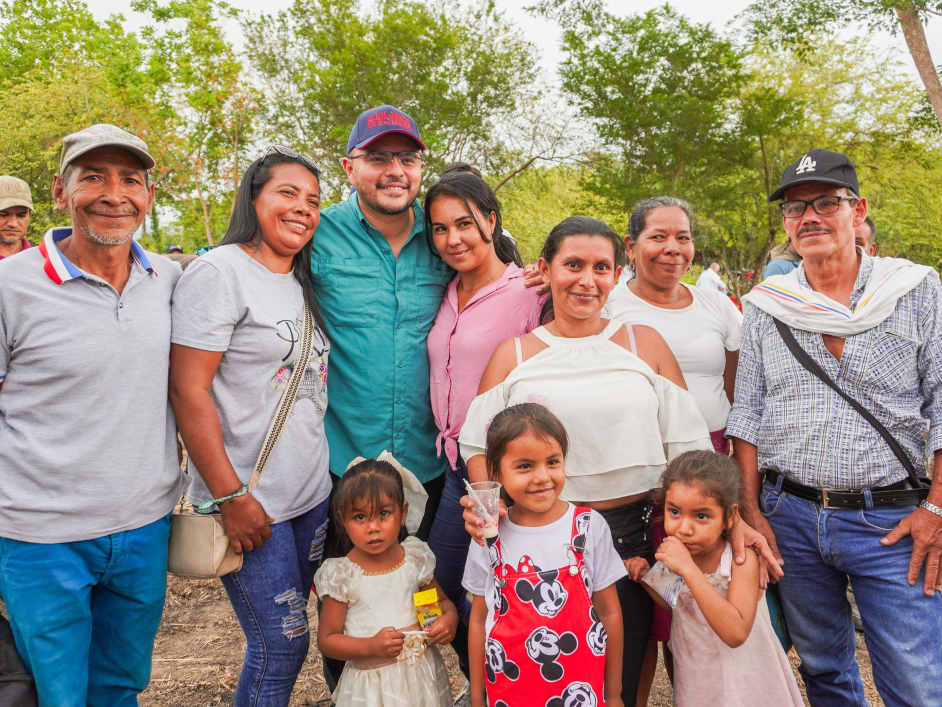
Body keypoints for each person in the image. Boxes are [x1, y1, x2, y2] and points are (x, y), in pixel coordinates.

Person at [458, 215, 716, 702]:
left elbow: (690, 446)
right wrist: (488, 509)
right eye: (572, 264)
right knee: (541, 667)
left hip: (632, 535)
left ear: (617, 273)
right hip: (534, 535)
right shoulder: (513, 354)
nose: (587, 279)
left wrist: (717, 520)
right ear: (545, 269)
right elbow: (475, 445)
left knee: (618, 676)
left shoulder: (645, 344)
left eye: (601, 267)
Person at [728, 148, 942, 706]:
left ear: (858, 210)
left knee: (918, 680)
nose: (810, 217)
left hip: (892, 521)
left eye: (827, 202)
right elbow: (746, 416)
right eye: (796, 209)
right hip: (790, 518)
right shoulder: (769, 305)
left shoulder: (914, 290)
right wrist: (752, 513)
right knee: (824, 669)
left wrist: (937, 510)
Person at [0, 124, 185, 705]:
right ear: (60, 190)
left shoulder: (169, 279)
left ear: (148, 196)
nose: (114, 194)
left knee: (123, 685)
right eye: (93, 177)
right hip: (41, 537)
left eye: (130, 179)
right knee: (56, 693)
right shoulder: (10, 286)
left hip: (144, 527)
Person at [169, 146, 331, 707]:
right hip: (250, 502)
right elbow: (187, 389)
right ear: (254, 198)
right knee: (280, 646)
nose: (302, 209)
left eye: (313, 200)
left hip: (311, 497)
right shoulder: (220, 272)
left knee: (296, 636)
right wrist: (229, 494)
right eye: (288, 193)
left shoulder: (301, 277)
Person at [603, 196, 743, 703]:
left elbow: (736, 382)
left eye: (681, 237)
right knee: (654, 605)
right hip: (648, 471)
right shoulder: (610, 305)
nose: (672, 248)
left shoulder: (714, 303)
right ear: (631, 245)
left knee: (708, 599)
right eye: (657, 236)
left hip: (713, 462)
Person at [310, 105, 453, 539]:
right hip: (341, 468)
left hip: (429, 465)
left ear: (420, 169)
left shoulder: (445, 237)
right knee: (350, 598)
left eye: (406, 159)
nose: (395, 170)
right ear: (348, 168)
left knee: (428, 597)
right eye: (378, 158)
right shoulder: (315, 232)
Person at [424, 172, 543, 680]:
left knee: (499, 589)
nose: (453, 239)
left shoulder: (531, 292)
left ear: (491, 221)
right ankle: (483, 682)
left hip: (501, 475)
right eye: (439, 228)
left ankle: (503, 684)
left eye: (465, 224)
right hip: (453, 467)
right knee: (434, 583)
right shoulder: (445, 291)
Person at [464, 403, 627, 707]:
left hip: (582, 692)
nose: (542, 477)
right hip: (510, 692)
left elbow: (610, 613)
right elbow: (477, 621)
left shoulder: (588, 527)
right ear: (497, 473)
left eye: (552, 461)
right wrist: (477, 698)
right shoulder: (486, 536)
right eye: (525, 466)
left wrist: (614, 693)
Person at [636, 451, 803, 707]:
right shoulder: (677, 551)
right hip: (697, 674)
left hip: (746, 679)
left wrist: (689, 571)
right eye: (674, 512)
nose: (684, 528)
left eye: (701, 516)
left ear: (729, 516)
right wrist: (644, 574)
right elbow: (667, 598)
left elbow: (735, 633)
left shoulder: (740, 560)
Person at [314, 459, 458, 707]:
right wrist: (370, 646)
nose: (373, 528)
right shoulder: (342, 575)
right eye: (360, 516)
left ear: (402, 512)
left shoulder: (414, 560)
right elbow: (327, 640)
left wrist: (447, 620)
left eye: (384, 514)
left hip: (420, 680)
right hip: (371, 689)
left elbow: (438, 604)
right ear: (342, 518)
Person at [0, 175, 33, 259]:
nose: (13, 224)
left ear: (29, 214)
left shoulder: (43, 263)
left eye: (21, 215)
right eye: (3, 214)